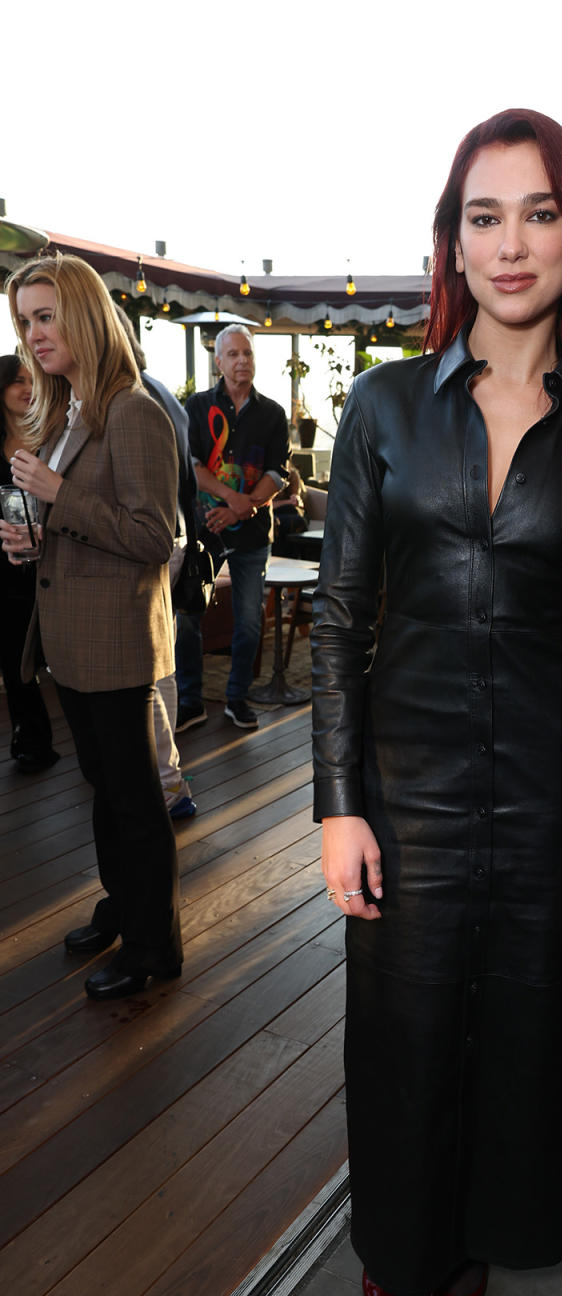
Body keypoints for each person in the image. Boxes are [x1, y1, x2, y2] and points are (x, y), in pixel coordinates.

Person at [312, 109, 562, 1296]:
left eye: (539, 212)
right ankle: (397, 1249)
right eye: (483, 216)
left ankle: (466, 1248)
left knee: (517, 1042)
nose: (510, 243)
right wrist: (338, 802)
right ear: (452, 248)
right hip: (404, 795)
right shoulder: (386, 408)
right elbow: (342, 622)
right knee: (401, 1042)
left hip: (548, 803)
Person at [0, 253, 181, 1001]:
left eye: (45, 317)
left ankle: (153, 946)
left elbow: (153, 537)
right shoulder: (73, 408)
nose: (34, 335)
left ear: (83, 316)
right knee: (105, 789)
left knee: (134, 802)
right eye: (24, 321)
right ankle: (121, 906)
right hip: (72, 643)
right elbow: (84, 526)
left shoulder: (134, 410)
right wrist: (31, 535)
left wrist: (57, 494)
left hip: (115, 645)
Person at [176, 325, 289, 734]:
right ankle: (190, 700)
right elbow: (191, 465)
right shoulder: (197, 406)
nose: (242, 361)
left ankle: (237, 697)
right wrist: (232, 500)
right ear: (218, 361)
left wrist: (241, 510)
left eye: (248, 353)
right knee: (188, 616)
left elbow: (278, 475)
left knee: (250, 621)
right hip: (204, 529)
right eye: (234, 354)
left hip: (253, 535)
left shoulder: (273, 414)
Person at [115, 306, 197, 818]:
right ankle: (169, 780)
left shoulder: (133, 398)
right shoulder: (162, 389)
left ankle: (164, 782)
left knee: (140, 668)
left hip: (151, 540)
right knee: (158, 661)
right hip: (175, 536)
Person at [0, 354, 59, 773]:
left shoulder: (51, 439)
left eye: (31, 380)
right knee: (13, 657)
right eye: (16, 382)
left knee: (54, 656)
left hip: (50, 560)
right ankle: (32, 737)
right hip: (4, 567)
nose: (27, 388)